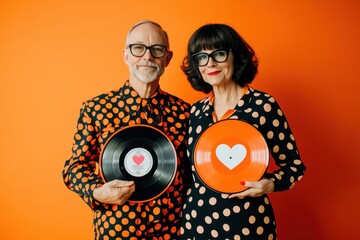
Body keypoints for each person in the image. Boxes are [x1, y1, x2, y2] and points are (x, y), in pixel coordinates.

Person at [62, 20, 190, 240]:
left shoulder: (185, 113)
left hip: (171, 232)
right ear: (126, 56)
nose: (147, 57)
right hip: (117, 231)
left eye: (156, 49)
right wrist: (97, 192)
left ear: (167, 59)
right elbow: (73, 168)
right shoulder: (96, 108)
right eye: (138, 48)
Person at [179, 23, 306, 240]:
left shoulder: (263, 105)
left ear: (235, 56)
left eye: (218, 54)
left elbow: (295, 167)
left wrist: (270, 184)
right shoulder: (195, 112)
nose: (210, 63)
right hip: (196, 224)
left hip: (248, 224)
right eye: (201, 57)